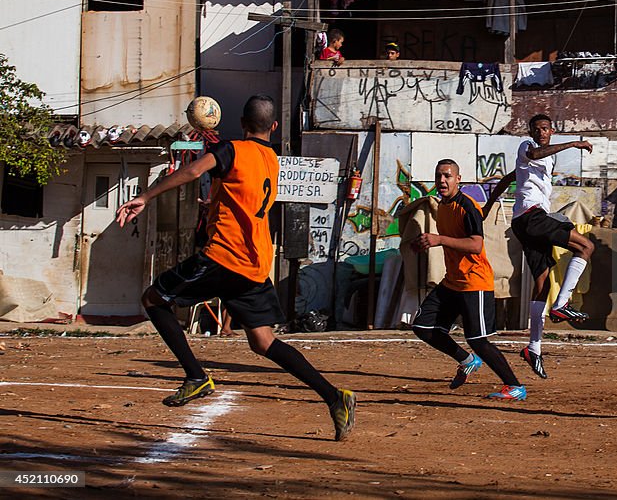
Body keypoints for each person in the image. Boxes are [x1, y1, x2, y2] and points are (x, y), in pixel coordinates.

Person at [114, 95, 356, 441]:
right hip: (256, 262)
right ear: (272, 127)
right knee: (263, 341)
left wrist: (146, 197)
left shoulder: (233, 150)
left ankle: (196, 376)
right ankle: (335, 397)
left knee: (154, 299)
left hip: (224, 256)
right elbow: (242, 191)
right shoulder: (272, 159)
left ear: (242, 124)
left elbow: (195, 169)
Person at [482, 113, 594, 379]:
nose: (541, 132)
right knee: (586, 247)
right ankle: (562, 303)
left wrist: (488, 205)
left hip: (529, 221)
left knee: (542, 282)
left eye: (545, 128)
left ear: (551, 130)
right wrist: (573, 144)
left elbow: (509, 178)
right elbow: (534, 155)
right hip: (531, 217)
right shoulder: (527, 148)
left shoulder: (547, 157)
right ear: (531, 133)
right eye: (537, 129)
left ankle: (534, 347)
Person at [411, 159, 526, 400]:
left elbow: (476, 245)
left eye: (447, 176)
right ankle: (466, 360)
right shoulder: (442, 205)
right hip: (452, 281)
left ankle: (514, 386)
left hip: (475, 282)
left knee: (477, 340)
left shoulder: (467, 206)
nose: (442, 181)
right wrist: (423, 243)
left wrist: (439, 239)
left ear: (458, 179)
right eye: (439, 176)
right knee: (422, 326)